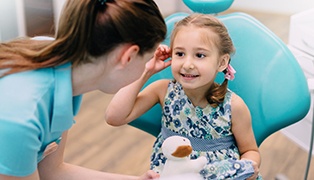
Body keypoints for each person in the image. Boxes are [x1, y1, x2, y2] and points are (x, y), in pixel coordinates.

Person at [0, 0, 167, 179]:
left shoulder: (58, 60)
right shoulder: (23, 118)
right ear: (128, 56)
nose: (147, 67)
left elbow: (53, 171)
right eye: (148, 59)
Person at [105, 13, 262, 179]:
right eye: (180, 54)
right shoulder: (162, 90)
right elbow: (114, 117)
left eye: (200, 55)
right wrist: (146, 71)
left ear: (222, 62)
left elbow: (250, 150)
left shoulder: (233, 106)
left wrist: (248, 167)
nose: (187, 65)